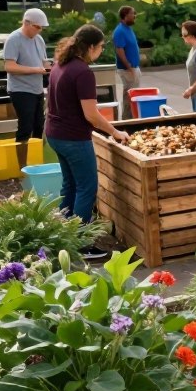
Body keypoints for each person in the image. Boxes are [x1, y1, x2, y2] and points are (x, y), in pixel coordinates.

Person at [46, 24, 130, 255]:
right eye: (101, 46)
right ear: (90, 46)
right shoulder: (82, 72)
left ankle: (61, 235)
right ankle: (80, 243)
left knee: (70, 184)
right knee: (87, 187)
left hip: (55, 133)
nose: (101, 51)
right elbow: (91, 115)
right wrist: (115, 132)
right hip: (73, 138)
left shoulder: (60, 64)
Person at [4, 8, 51, 169]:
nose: (39, 30)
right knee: (25, 126)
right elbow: (9, 66)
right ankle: (21, 165)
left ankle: (36, 162)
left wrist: (53, 67)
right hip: (20, 89)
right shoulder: (14, 39)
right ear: (27, 23)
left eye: (41, 28)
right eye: (37, 27)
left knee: (39, 126)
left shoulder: (39, 40)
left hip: (37, 88)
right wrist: (35, 70)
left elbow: (44, 63)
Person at [113, 6, 141, 120]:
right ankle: (127, 121)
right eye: (132, 14)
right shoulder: (120, 31)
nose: (135, 16)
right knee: (129, 98)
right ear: (125, 15)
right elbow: (120, 50)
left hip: (133, 68)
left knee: (133, 97)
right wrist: (129, 67)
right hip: (126, 70)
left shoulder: (128, 29)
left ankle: (131, 119)